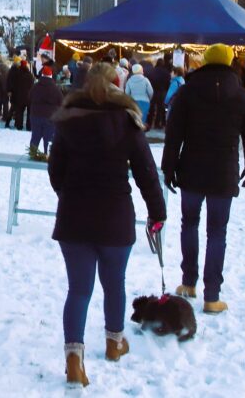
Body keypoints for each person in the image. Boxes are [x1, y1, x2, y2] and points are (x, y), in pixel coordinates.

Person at [49, 63, 167, 384]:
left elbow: (55, 170)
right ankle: (115, 343)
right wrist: (157, 212)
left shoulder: (68, 120)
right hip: (115, 215)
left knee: (78, 290)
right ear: (118, 84)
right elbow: (146, 173)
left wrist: (68, 195)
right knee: (115, 283)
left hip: (74, 217)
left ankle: (74, 359)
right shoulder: (126, 121)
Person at [161, 43, 245, 315]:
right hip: (223, 172)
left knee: (189, 224)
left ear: (204, 60)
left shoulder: (187, 91)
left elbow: (174, 133)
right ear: (230, 62)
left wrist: (168, 167)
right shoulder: (241, 95)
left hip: (191, 169)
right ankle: (212, 296)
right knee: (217, 232)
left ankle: (188, 282)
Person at [29, 65, 63, 155]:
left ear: (42, 75)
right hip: (50, 116)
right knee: (48, 138)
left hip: (35, 115)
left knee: (35, 136)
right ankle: (47, 155)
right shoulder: (55, 88)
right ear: (51, 75)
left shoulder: (35, 86)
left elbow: (29, 97)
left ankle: (32, 153)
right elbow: (61, 101)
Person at [5, 58, 34, 130]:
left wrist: (11, 91)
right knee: (29, 113)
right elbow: (32, 86)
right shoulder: (30, 75)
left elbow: (13, 84)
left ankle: (19, 125)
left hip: (19, 96)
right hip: (28, 97)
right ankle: (29, 126)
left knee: (19, 112)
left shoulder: (17, 74)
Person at [148, 57, 172, 129]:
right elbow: (168, 83)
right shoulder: (166, 72)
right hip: (162, 92)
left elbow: (149, 81)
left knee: (152, 107)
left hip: (153, 91)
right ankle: (157, 123)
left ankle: (149, 122)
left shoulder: (152, 71)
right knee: (160, 108)